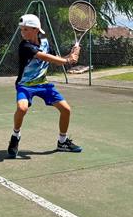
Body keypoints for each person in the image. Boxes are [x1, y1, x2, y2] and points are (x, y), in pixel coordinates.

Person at [7, 14, 82, 158]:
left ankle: (62, 142)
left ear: (36, 30)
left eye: (26, 30)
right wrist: (68, 60)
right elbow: (45, 57)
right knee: (22, 108)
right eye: (21, 30)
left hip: (43, 85)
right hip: (25, 85)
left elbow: (57, 58)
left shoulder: (46, 43)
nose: (22, 33)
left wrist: (72, 54)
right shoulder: (25, 46)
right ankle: (15, 136)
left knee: (66, 110)